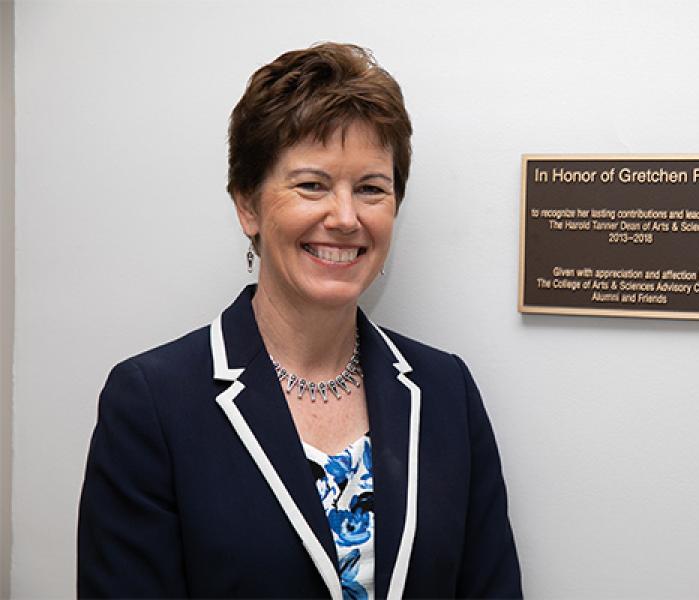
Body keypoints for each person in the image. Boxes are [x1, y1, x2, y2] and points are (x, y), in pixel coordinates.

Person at [77, 43, 522, 599]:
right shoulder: (152, 403)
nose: (344, 217)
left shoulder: (445, 391)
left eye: (370, 189)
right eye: (311, 184)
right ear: (247, 205)